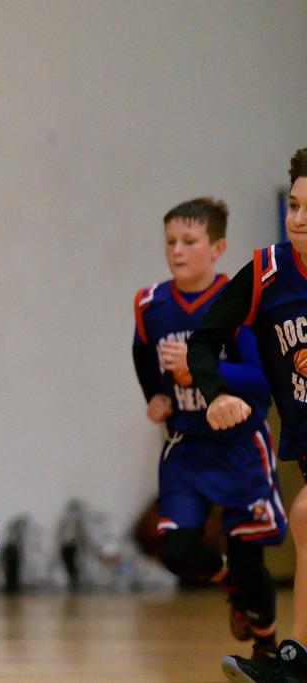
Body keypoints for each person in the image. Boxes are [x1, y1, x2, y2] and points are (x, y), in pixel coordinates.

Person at [132, 198, 284, 663]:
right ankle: (228, 581)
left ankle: (266, 647)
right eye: (170, 242)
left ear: (217, 248)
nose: (177, 250)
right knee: (175, 551)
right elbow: (142, 353)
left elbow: (261, 380)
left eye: (189, 241)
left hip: (239, 444)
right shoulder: (150, 304)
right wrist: (154, 396)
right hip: (187, 445)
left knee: (248, 554)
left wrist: (203, 369)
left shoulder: (237, 302)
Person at [188, 149, 307, 682]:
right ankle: (297, 659)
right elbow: (204, 341)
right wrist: (215, 394)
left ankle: (296, 658)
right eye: (295, 206)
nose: (298, 218)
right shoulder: (267, 273)